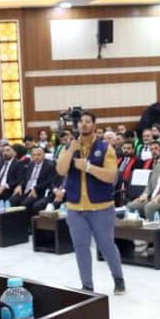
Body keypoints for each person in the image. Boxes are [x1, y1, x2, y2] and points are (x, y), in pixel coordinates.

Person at [56, 111, 125, 294]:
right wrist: (71, 150)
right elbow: (61, 170)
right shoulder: (69, 147)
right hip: (75, 208)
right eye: (81, 121)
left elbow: (111, 177)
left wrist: (88, 167)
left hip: (101, 207)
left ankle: (118, 279)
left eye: (88, 121)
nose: (84, 124)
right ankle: (87, 285)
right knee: (80, 247)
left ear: (94, 125)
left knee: (106, 245)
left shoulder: (105, 148)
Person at [14, 144, 56, 209]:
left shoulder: (49, 165)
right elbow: (25, 178)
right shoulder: (30, 164)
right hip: (26, 189)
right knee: (12, 200)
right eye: (34, 155)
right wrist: (20, 185)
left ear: (44, 155)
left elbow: (48, 181)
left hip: (38, 191)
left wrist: (36, 188)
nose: (36, 157)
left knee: (25, 203)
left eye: (38, 155)